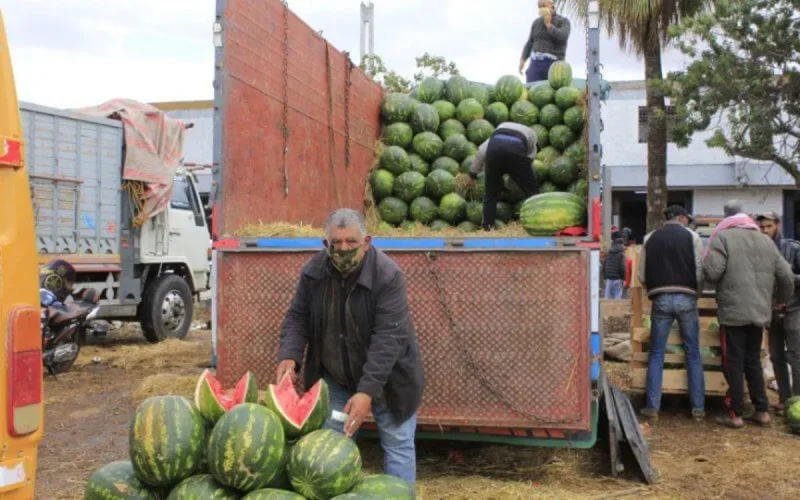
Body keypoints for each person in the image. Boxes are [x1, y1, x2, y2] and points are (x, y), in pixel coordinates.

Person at [276, 208, 424, 484]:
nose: (343, 249)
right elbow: (298, 317)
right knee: (332, 447)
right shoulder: (313, 273)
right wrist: (289, 355)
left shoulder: (388, 276)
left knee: (398, 445)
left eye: (351, 243)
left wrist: (367, 391)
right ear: (326, 245)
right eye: (337, 243)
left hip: (390, 381)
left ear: (367, 243)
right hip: (338, 381)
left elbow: (388, 339)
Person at [704, 202, 794, 428]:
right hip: (760, 312)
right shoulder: (766, 241)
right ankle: (762, 411)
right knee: (753, 360)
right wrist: (779, 301)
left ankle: (735, 413)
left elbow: (713, 273)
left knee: (733, 361)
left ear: (727, 218)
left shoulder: (722, 238)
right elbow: (786, 277)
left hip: (733, 312)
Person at [638, 206, 706, 420]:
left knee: (657, 353)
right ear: (682, 218)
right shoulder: (692, 236)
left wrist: (652, 289)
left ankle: (652, 408)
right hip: (686, 297)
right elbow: (698, 269)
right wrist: (697, 293)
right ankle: (698, 409)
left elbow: (641, 273)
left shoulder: (650, 238)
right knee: (693, 353)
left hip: (660, 298)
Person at [756, 211, 800, 413]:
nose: (765, 230)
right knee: (775, 356)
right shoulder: (758, 250)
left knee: (795, 355)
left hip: (794, 309)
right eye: (762, 227)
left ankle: (797, 402)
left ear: (777, 226)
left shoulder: (793, 248)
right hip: (770, 311)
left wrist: (788, 279)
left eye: (769, 226)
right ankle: (784, 398)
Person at [469, 122, 538, 230]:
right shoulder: (532, 137)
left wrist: (472, 174)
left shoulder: (497, 132)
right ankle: (538, 221)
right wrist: (511, 185)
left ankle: (487, 226)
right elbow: (526, 163)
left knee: (490, 194)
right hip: (516, 148)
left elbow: (481, 152)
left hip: (495, 149)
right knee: (532, 191)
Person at [518, 0, 571, 83]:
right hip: (536, 63)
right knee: (533, 90)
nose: (541, 9)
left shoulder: (563, 21)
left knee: (552, 92)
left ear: (551, 4)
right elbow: (530, 42)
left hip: (555, 64)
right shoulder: (536, 23)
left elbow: (563, 36)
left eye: (543, 6)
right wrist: (523, 59)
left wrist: (549, 25)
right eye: (539, 7)